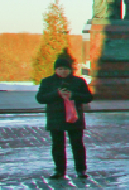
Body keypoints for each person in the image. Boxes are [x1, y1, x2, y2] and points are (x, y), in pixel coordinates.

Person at [38, 51, 92, 179]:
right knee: (57, 145)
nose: (63, 71)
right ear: (56, 70)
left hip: (74, 118)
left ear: (70, 70)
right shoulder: (48, 82)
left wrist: (73, 96)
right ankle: (59, 170)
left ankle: (81, 170)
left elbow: (88, 97)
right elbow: (40, 98)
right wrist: (56, 94)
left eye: (65, 69)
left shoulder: (79, 82)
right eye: (60, 69)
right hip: (55, 118)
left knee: (77, 144)